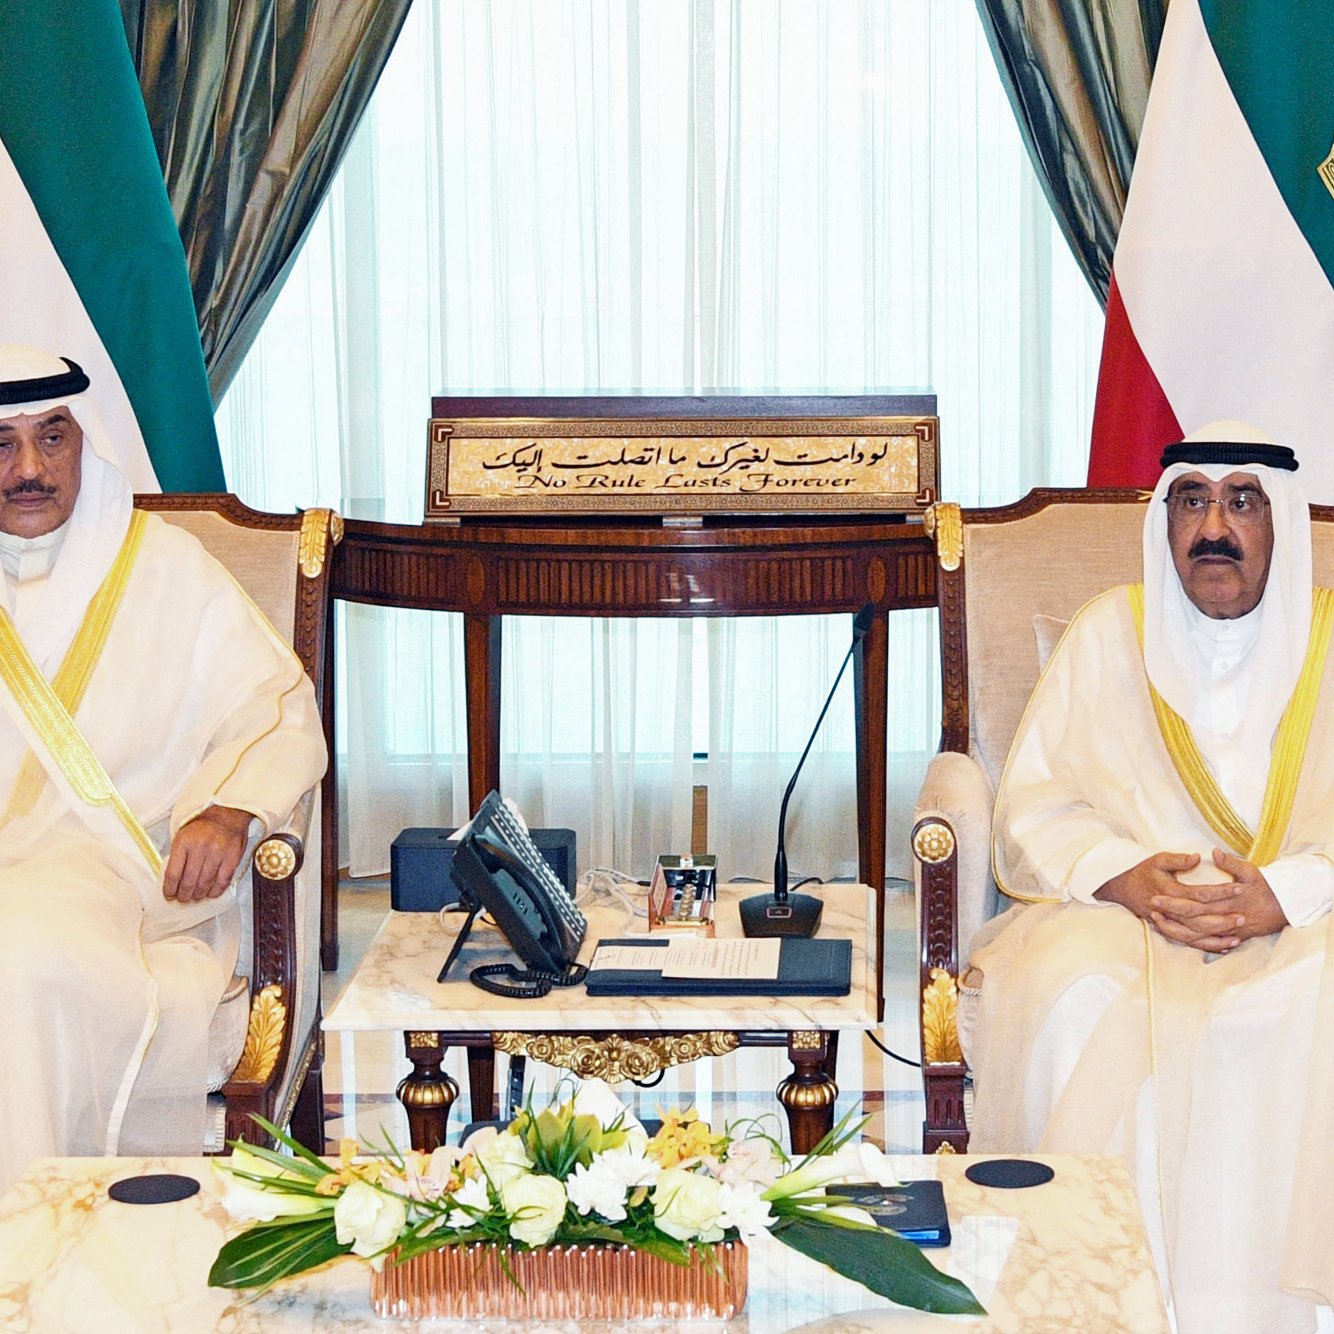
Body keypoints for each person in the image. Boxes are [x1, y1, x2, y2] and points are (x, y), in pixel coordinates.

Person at [966, 423, 1334, 1333]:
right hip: (1125, 917)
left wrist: (1285, 893)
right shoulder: (1108, 634)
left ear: (1282, 523)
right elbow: (1034, 807)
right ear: (1164, 521)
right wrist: (1126, 877)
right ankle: (1099, 1301)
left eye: (1243, 501)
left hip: (1308, 911)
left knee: (1309, 1002)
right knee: (1075, 992)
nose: (1215, 527)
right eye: (1192, 501)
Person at [0, 344, 326, 1193]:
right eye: (1, 444)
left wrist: (230, 809)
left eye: (51, 437)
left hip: (105, 875)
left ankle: (24, 1237)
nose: (28, 470)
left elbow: (276, 706)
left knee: (14, 959)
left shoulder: (163, 567)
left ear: (84, 440)